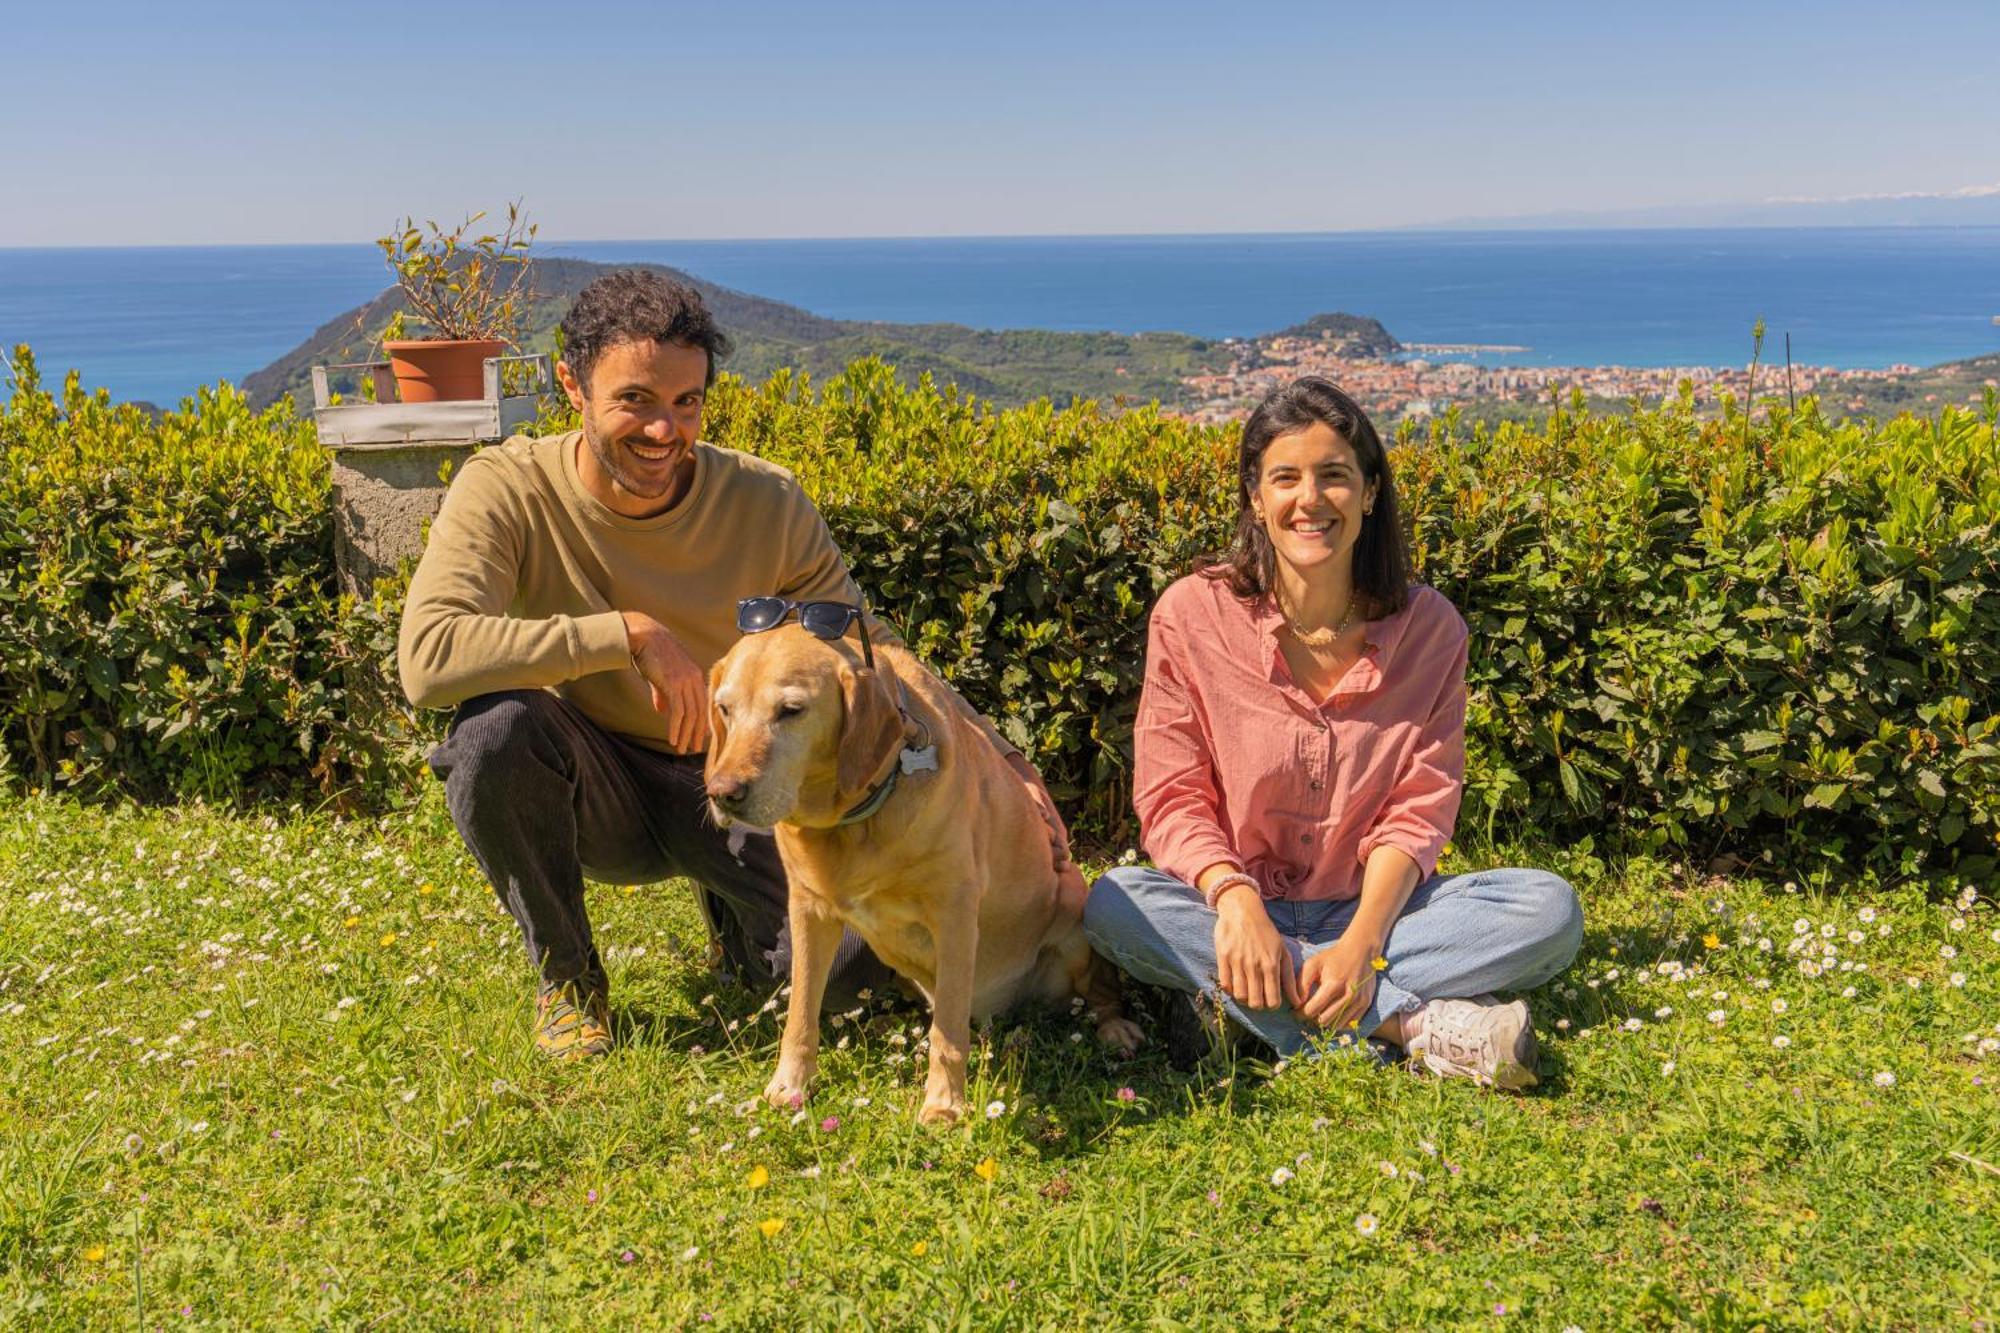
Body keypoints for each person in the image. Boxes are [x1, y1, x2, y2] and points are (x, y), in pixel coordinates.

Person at [398, 270, 1076, 1059]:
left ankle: (732, 913)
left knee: (852, 973)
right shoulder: (507, 489)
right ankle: (570, 981)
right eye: (636, 401)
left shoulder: (764, 500)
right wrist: (626, 634)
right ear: (570, 387)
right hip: (601, 781)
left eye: (687, 402)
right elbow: (428, 656)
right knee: (493, 734)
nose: (665, 431)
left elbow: (872, 649)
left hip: (742, 768)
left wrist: (1003, 755)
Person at [1082, 377, 1582, 1087]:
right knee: (1115, 903)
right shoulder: (1191, 615)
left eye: (1334, 476)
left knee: (1550, 909)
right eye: (1285, 477)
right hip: (1231, 900)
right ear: (1256, 496)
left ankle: (1242, 1006)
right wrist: (1236, 902)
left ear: (1370, 492)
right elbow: (1172, 793)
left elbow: (1421, 806)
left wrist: (1363, 944)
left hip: (1375, 907)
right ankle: (1415, 1026)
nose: (1309, 499)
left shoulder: (1430, 629)